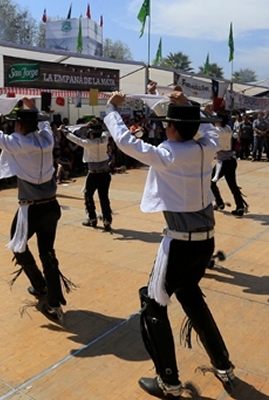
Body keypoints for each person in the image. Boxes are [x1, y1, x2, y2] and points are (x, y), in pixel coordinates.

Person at [104, 91, 236, 398]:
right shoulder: (207, 146)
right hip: (206, 241)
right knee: (191, 296)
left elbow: (125, 142)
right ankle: (223, 365)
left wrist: (111, 109)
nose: (165, 128)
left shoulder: (168, 152)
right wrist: (186, 103)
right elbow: (210, 129)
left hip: (179, 242)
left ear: (173, 129)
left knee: (153, 303)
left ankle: (169, 381)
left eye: (168, 124)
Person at [0, 96, 74, 325]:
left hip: (31, 209)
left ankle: (40, 285)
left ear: (18, 126)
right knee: (48, 252)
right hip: (52, 207)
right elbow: (45, 125)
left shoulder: (19, 142)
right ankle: (53, 301)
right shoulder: (47, 139)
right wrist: (33, 107)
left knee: (18, 246)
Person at [64, 121, 114, 230]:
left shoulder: (88, 143)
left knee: (88, 195)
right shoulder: (104, 139)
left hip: (94, 174)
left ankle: (92, 218)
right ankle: (107, 220)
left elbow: (75, 139)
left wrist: (64, 131)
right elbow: (106, 131)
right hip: (105, 173)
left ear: (91, 133)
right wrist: (96, 124)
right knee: (104, 197)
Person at [209, 114, 248, 217]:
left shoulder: (217, 130)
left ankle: (219, 202)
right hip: (231, 160)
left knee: (210, 182)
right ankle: (240, 207)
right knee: (233, 185)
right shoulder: (228, 128)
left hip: (223, 162)